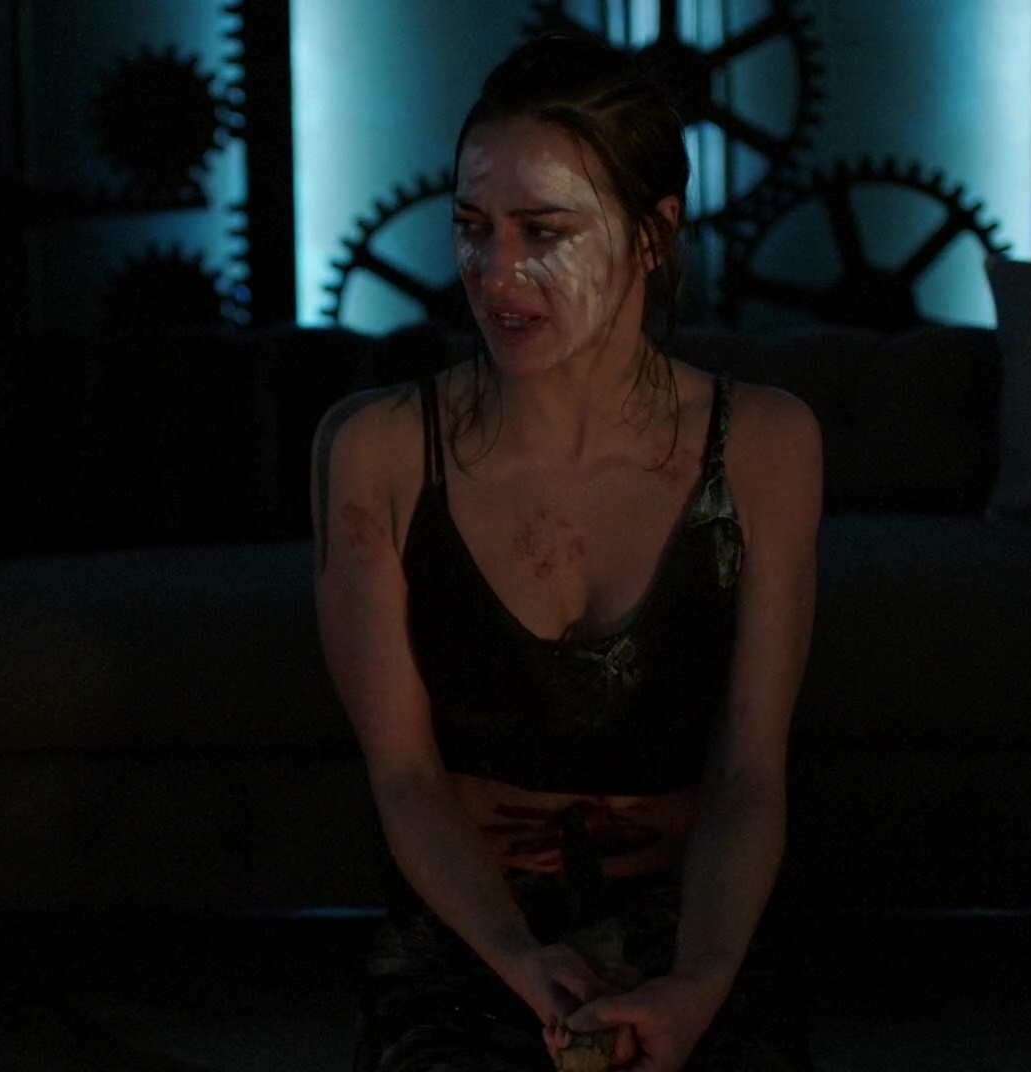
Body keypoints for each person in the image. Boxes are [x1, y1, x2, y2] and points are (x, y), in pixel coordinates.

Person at [310, 33, 822, 1072]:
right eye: (472, 226)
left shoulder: (765, 445)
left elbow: (748, 771)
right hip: (472, 925)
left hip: (693, 917)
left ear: (651, 234)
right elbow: (403, 775)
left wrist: (697, 981)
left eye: (543, 231)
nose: (496, 273)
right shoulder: (377, 451)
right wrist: (517, 956)